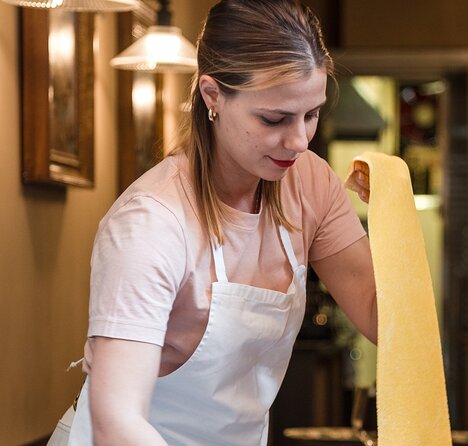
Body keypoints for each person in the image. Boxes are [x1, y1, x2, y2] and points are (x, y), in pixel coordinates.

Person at [53, 1, 377, 444]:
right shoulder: (150, 222)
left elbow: (385, 320)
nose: (299, 140)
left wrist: (393, 223)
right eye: (274, 118)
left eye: (311, 114)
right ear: (212, 96)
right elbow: (116, 422)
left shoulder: (310, 184)